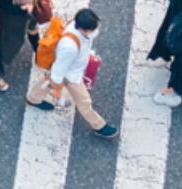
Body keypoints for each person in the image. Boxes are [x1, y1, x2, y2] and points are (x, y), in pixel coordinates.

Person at [26, 7, 118, 137]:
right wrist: (57, 91)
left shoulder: (75, 25)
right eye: (92, 29)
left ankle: (33, 98)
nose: (95, 31)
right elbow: (58, 72)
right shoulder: (69, 47)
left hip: (69, 69)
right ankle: (99, 126)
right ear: (82, 29)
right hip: (70, 75)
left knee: (47, 82)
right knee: (84, 101)